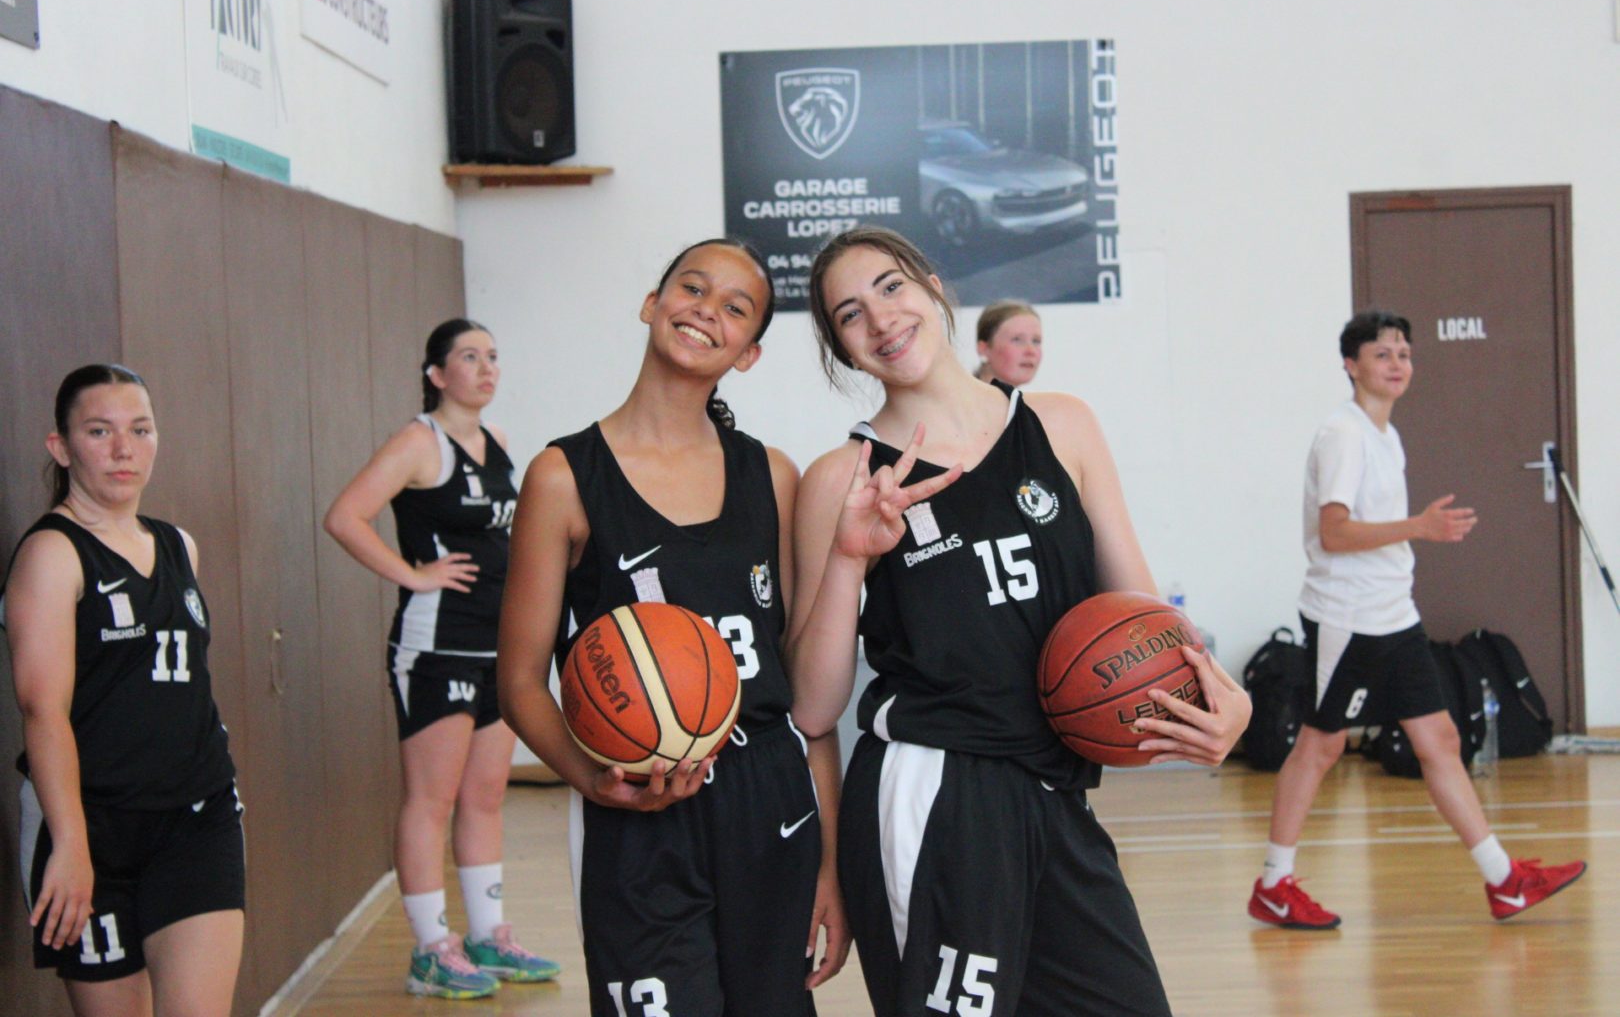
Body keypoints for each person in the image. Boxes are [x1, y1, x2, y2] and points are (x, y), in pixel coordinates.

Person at [789, 226, 1251, 1017]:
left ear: (933, 287)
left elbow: (1141, 619)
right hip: (934, 790)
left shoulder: (1062, 424)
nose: (882, 318)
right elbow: (813, 706)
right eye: (850, 314)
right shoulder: (843, 478)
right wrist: (845, 558)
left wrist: (1220, 699)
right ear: (843, 350)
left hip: (1056, 792)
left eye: (891, 287)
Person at [497, 238, 850, 1017]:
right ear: (652, 304)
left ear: (749, 353)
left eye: (735, 308)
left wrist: (831, 860)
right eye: (692, 288)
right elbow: (518, 680)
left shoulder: (773, 476)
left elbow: (804, 692)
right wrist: (591, 779)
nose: (705, 311)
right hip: (640, 807)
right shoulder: (563, 477)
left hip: (768, 797)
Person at [1249, 310, 1587, 928]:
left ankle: (1504, 881)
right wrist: (1420, 528)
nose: (1397, 364)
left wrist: (1413, 536)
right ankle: (1274, 884)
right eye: (1382, 354)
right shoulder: (1343, 434)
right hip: (1349, 616)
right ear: (1351, 365)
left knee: (1440, 740)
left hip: (1393, 614)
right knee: (1322, 745)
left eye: (1404, 353)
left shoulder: (1386, 435)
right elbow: (1335, 531)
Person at [324, 319, 558, 998]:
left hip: (497, 645)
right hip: (437, 646)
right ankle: (431, 949)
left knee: (485, 796)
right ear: (436, 374)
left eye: (493, 357)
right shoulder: (417, 442)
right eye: (469, 357)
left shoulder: (497, 443)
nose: (486, 369)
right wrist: (413, 574)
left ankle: (488, 936)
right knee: (433, 799)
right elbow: (345, 516)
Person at [3, 364, 243, 1016]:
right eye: (99, 431)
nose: (122, 449)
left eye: (140, 430)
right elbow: (42, 710)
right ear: (61, 447)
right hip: (92, 828)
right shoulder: (52, 554)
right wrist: (71, 844)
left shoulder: (178, 546)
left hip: (197, 816)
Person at [972, 300, 1043, 386]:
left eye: (1036, 341)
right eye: (1017, 340)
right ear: (984, 348)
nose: (1031, 351)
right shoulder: (962, 393)